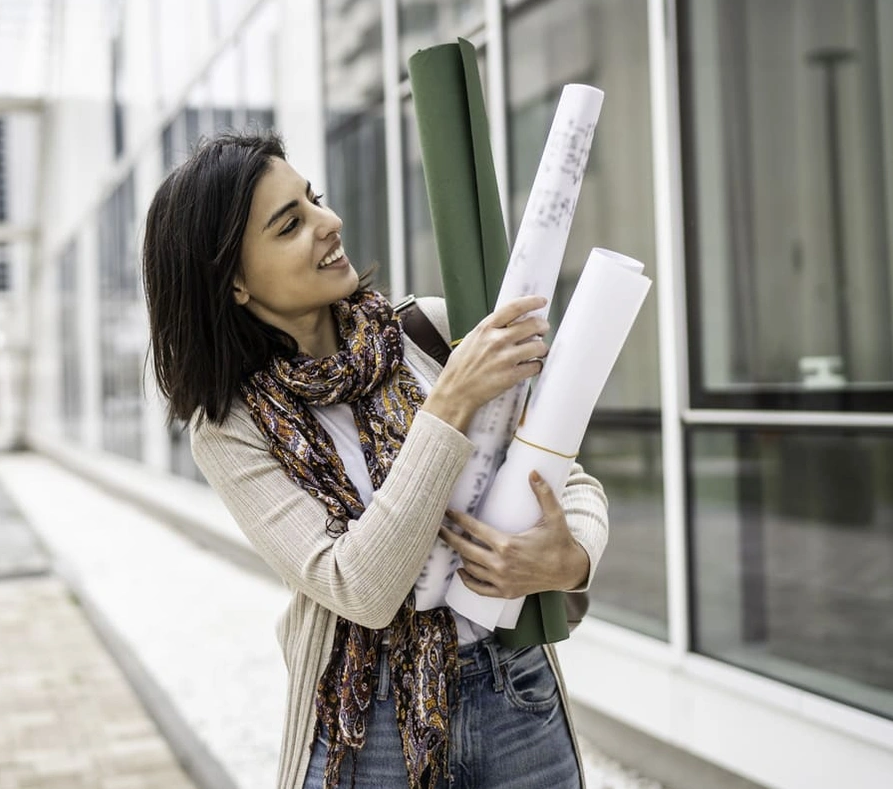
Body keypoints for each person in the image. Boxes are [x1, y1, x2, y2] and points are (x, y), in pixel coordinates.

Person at [143, 131, 608, 789]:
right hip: (369, 727)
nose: (329, 224)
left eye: (315, 200)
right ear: (236, 281)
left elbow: (570, 477)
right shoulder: (230, 430)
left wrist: (573, 556)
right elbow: (358, 586)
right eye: (290, 224)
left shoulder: (430, 332)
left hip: (516, 695)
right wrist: (448, 406)